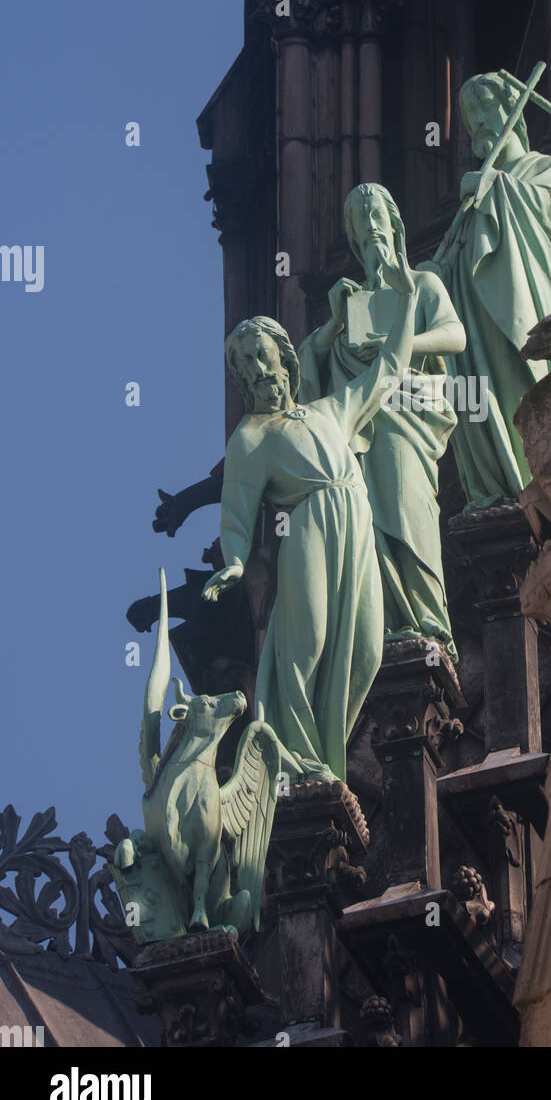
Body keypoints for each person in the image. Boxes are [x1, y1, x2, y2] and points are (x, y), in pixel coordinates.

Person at [202, 224, 417, 784]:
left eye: (261, 356)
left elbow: (388, 371)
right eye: (244, 366)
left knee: (368, 647)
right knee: (307, 641)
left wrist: (410, 299)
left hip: (356, 516)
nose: (255, 370)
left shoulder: (329, 411)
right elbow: (237, 506)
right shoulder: (251, 436)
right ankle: (296, 759)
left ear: (283, 357)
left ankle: (326, 746)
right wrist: (231, 559)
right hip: (309, 526)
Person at [298, 183, 465, 659]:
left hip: (405, 416)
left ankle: (428, 620)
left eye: (376, 213)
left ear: (394, 222)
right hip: (360, 428)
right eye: (358, 218)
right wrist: (333, 324)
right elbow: (311, 381)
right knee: (366, 526)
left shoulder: (423, 283)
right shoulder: (349, 305)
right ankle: (385, 623)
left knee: (408, 512)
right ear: (352, 236)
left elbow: (454, 335)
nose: (370, 223)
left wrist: (402, 347)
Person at [429, 71, 551, 509]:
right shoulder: (469, 204)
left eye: (484, 111)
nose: (478, 124)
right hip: (472, 325)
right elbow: (454, 259)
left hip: (517, 303)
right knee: (476, 399)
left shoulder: (547, 167)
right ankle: (494, 486)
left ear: (511, 111)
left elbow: (544, 212)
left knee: (521, 387)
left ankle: (534, 480)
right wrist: (431, 274)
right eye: (470, 119)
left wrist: (492, 185)